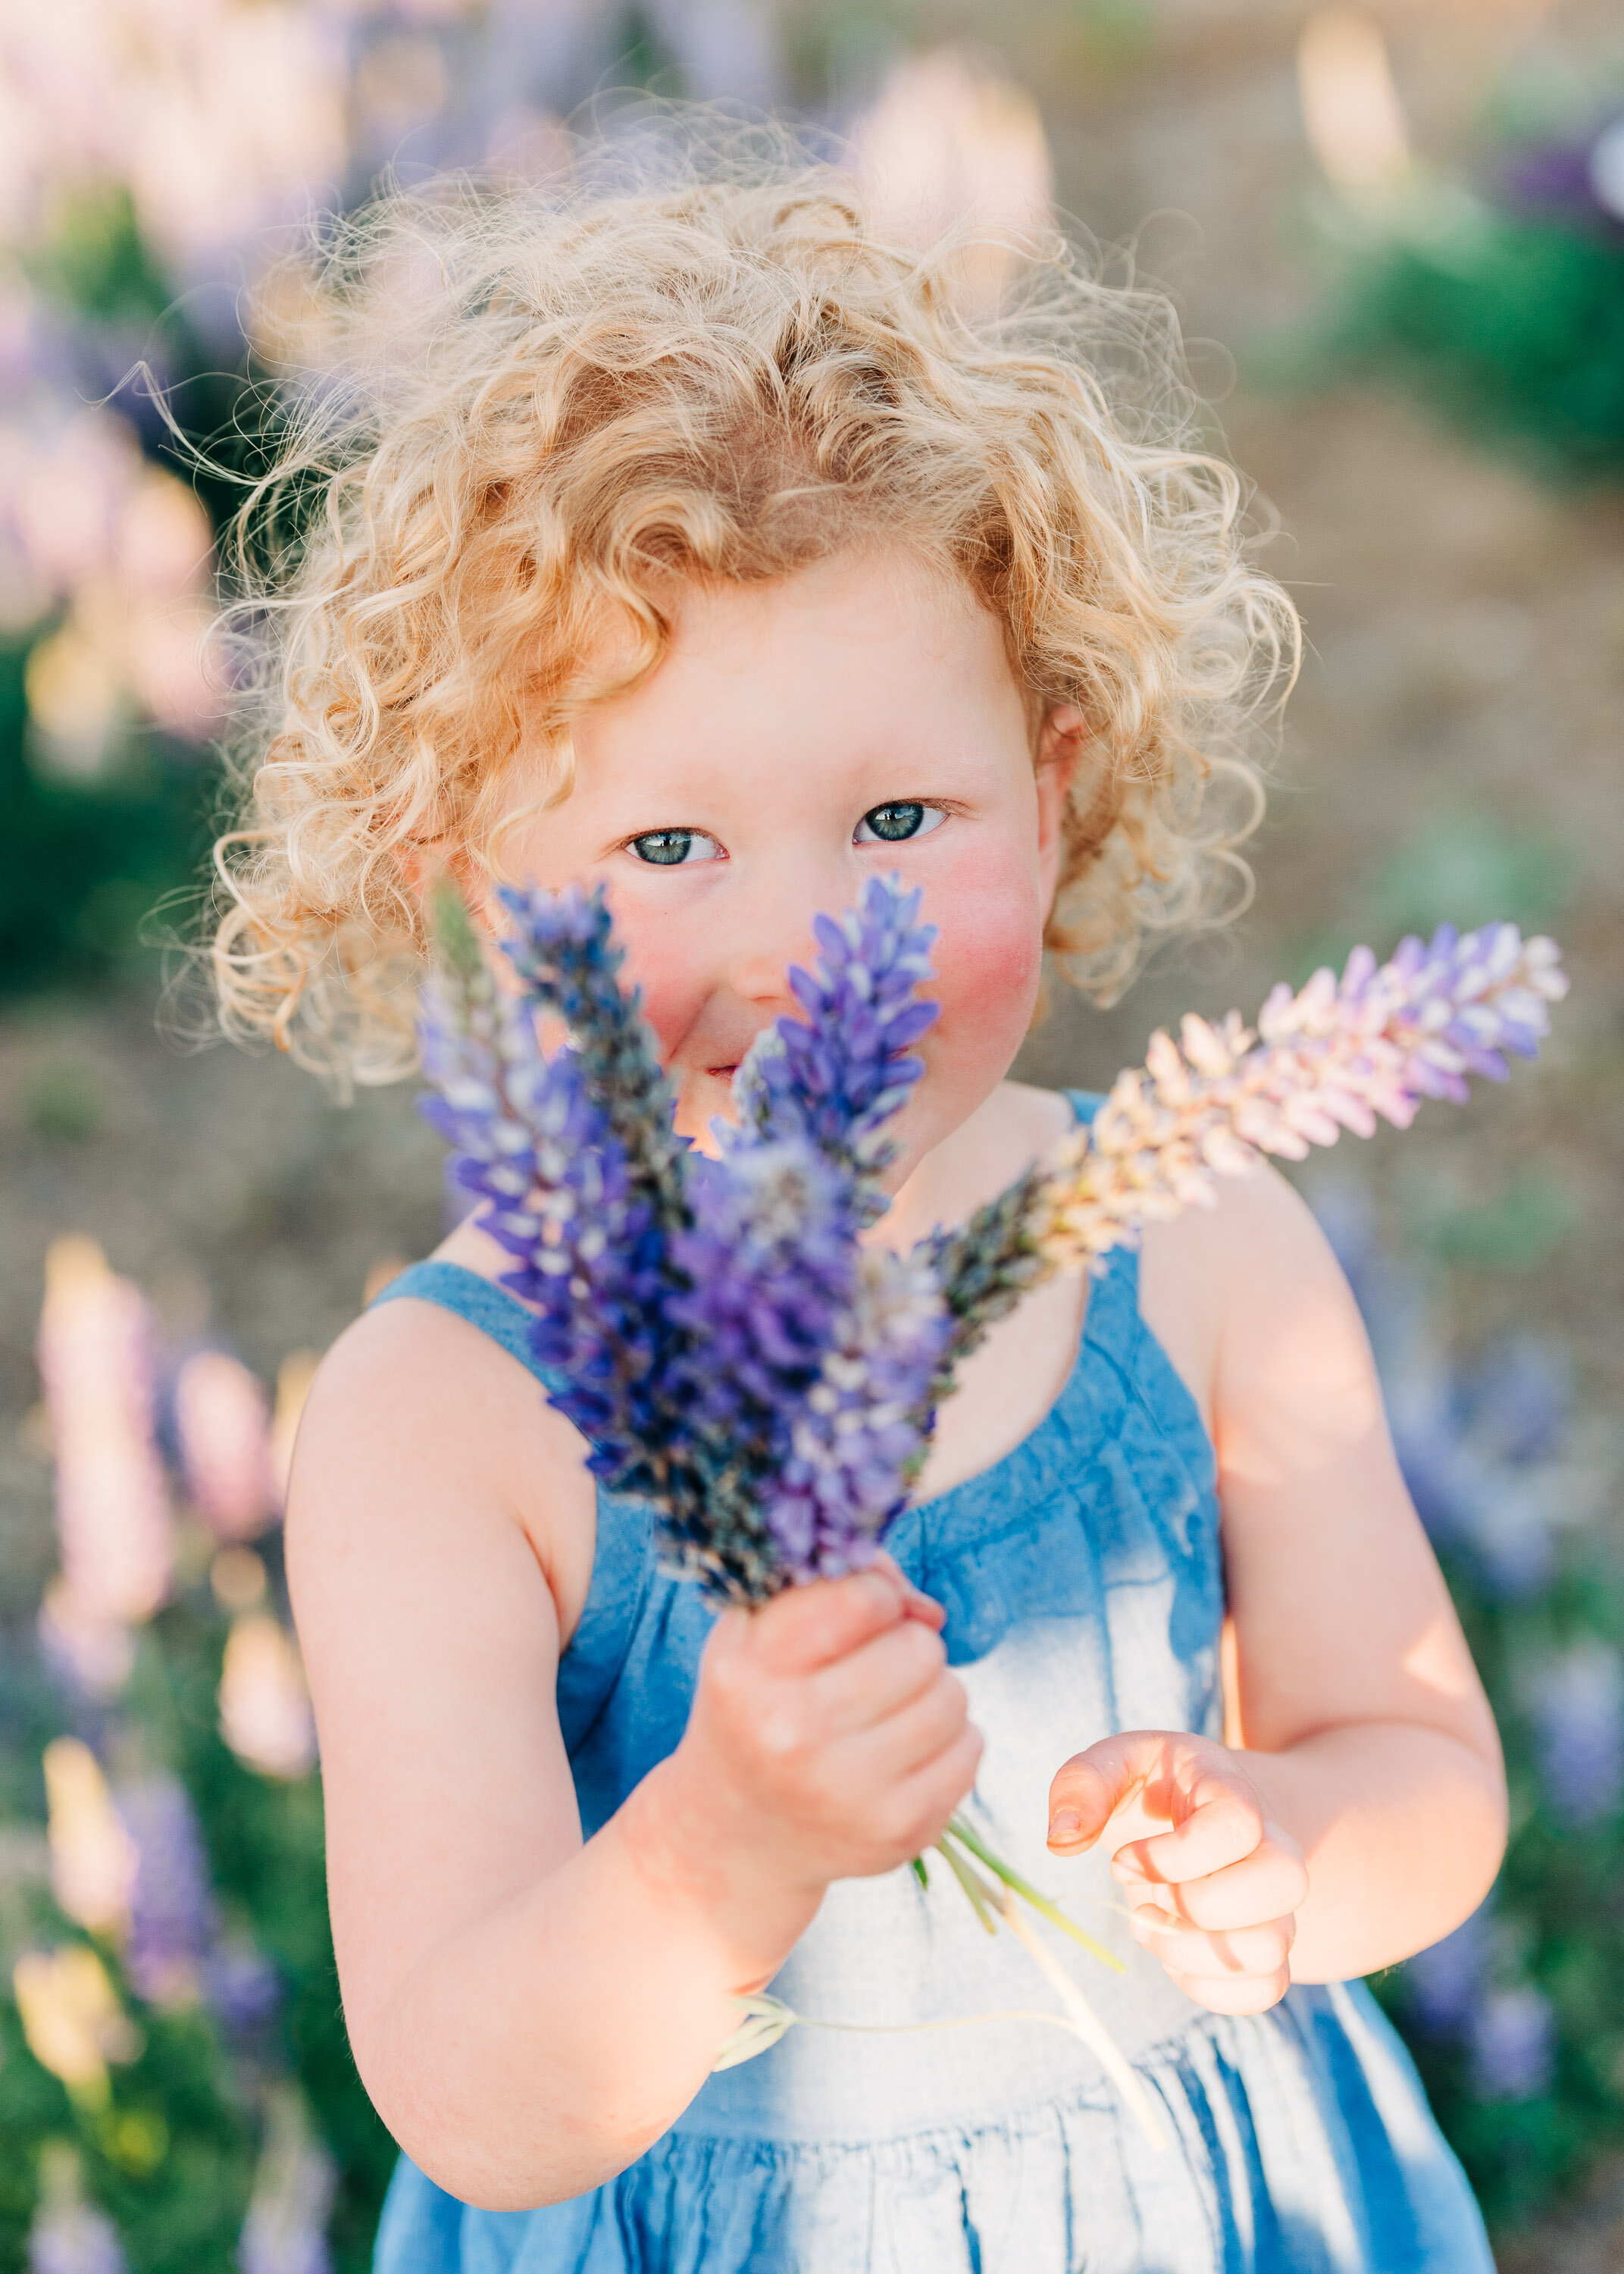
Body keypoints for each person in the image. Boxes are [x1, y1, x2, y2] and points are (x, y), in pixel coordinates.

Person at [214, 147, 1507, 2272]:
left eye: (900, 818)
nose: (812, 945)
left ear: (1058, 789)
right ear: (473, 887)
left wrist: (1300, 1845)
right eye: (662, 846)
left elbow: (1420, 1767)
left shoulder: (1194, 1244)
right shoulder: (445, 1423)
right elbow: (467, 2081)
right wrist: (723, 1844)